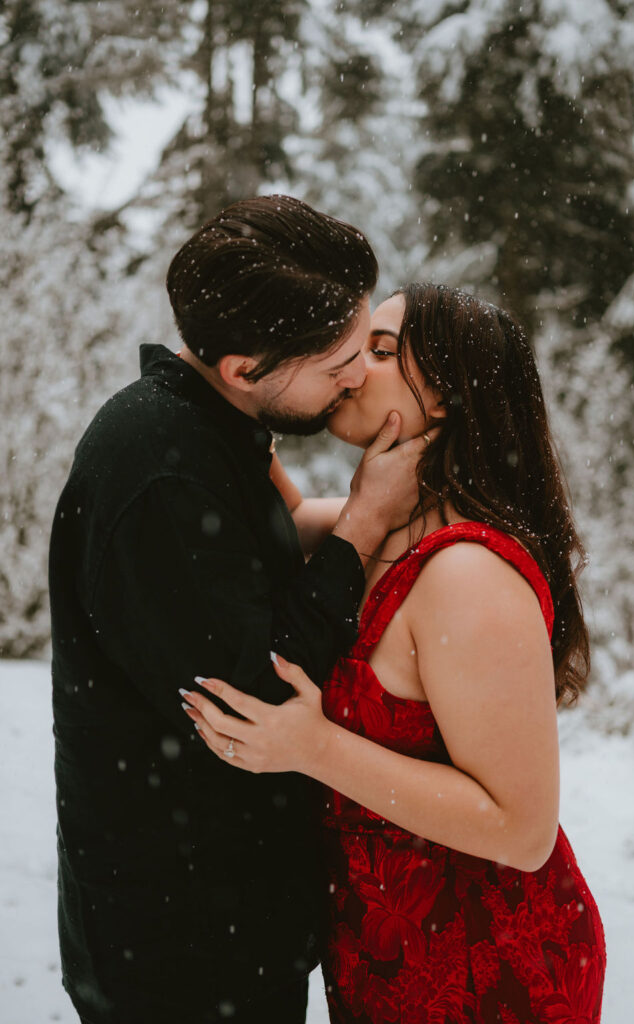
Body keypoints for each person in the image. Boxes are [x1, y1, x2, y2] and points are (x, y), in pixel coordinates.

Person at [49, 196, 434, 1024]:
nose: (359, 376)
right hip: (182, 948)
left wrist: (415, 516)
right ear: (243, 367)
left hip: (219, 912)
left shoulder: (206, 428)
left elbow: (251, 561)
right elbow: (254, 701)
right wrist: (364, 521)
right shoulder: (164, 471)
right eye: (337, 364)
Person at [184, 284, 607, 1024]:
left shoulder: (467, 573)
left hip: (482, 965)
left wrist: (314, 747)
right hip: (389, 948)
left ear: (443, 397)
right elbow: (276, 516)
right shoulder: (381, 525)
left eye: (377, 352)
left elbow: (522, 829)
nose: (348, 369)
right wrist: (252, 382)